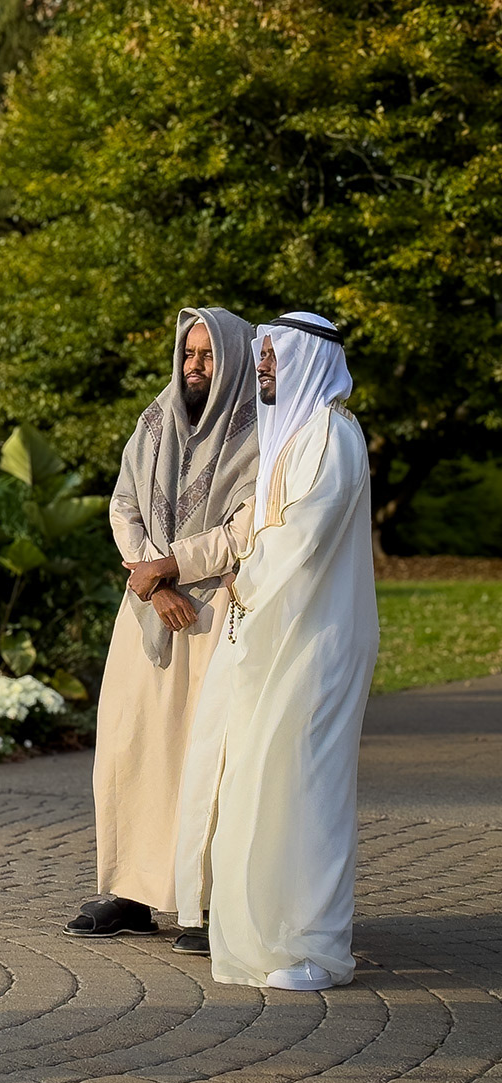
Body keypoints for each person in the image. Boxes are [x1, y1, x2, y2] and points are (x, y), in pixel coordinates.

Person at [172, 313, 377, 991]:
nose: (261, 367)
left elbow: (302, 538)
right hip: (268, 636)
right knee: (259, 788)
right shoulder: (290, 437)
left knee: (306, 789)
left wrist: (242, 577)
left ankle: (313, 945)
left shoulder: (333, 438)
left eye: (272, 357)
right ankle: (265, 938)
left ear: (307, 360)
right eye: (259, 356)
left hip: (316, 644)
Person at [68, 308, 258, 953]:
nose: (195, 367)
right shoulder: (153, 423)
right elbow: (124, 503)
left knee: (198, 758)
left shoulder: (257, 434)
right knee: (130, 748)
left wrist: (172, 567)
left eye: (207, 356)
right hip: (148, 604)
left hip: (211, 612)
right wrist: (151, 578)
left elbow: (244, 529)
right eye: (187, 354)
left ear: (232, 359)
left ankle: (201, 905)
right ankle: (130, 892)